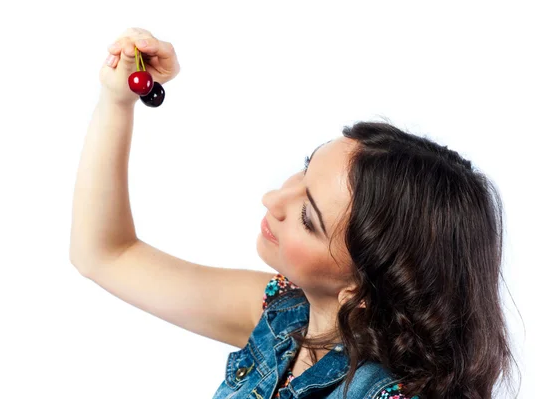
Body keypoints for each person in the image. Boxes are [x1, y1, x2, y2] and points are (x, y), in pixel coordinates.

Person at [70, 27, 519, 399]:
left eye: (309, 218)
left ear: (358, 292)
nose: (272, 199)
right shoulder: (285, 313)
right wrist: (117, 100)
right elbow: (105, 254)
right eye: (305, 170)